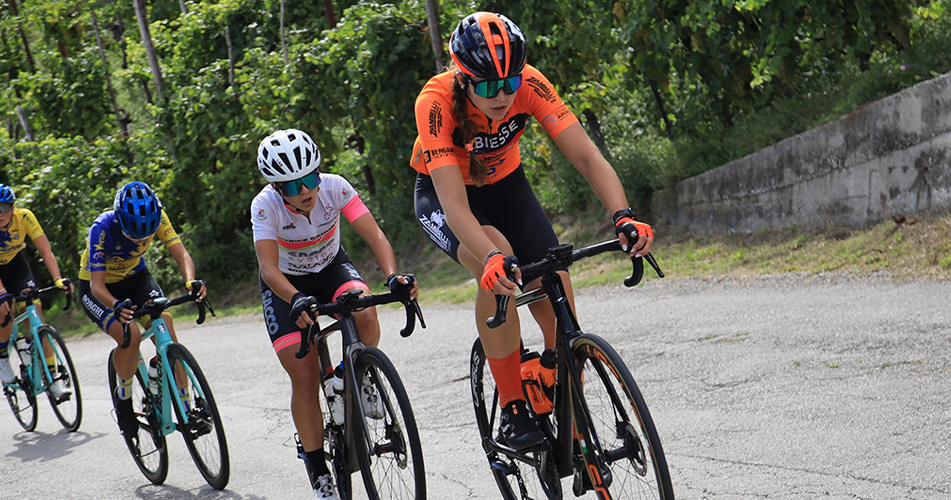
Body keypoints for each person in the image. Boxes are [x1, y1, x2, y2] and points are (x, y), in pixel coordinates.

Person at [410, 12, 654, 450]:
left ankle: (561, 389)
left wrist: (623, 216)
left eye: (510, 82)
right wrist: (489, 260)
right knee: (501, 261)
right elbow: (454, 205)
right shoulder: (435, 102)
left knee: (556, 276)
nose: (502, 94)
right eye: (487, 86)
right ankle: (512, 408)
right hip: (447, 197)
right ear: (464, 79)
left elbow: (586, 157)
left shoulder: (528, 84)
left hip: (508, 188)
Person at [251, 128, 417, 499]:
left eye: (310, 178)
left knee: (366, 313)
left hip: (331, 268)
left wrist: (392, 276)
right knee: (306, 380)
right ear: (278, 189)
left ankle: (355, 375)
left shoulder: (335, 187)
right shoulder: (265, 207)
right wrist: (294, 298)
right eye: (293, 186)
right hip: (285, 286)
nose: (305, 189)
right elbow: (268, 269)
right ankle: (316, 467)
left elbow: (374, 235)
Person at [76, 181, 207, 437]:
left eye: (147, 233)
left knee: (166, 330)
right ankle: (124, 400)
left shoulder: (156, 214)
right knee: (131, 337)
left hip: (136, 279)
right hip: (101, 290)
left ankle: (185, 406)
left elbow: (181, 254)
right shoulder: (102, 228)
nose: (143, 238)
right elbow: (96, 285)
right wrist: (115, 305)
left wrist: (191, 281)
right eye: (134, 234)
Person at [0, 183, 75, 399]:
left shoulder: (25, 217)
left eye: (3, 208)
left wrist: (58, 279)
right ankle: (3, 357)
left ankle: (53, 377)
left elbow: (44, 249)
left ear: (12, 207)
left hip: (15, 266)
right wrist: (1, 293)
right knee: (3, 310)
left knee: (36, 315)